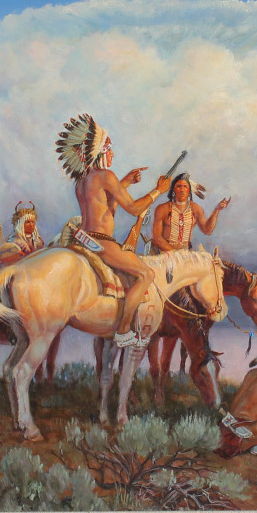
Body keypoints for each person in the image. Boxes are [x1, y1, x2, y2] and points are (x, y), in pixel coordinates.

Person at [55, 113, 171, 348]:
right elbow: (134, 208)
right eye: (110, 149)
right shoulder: (106, 176)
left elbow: (105, 205)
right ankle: (123, 330)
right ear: (100, 151)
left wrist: (124, 183)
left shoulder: (83, 180)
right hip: (101, 241)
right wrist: (158, 191)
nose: (113, 154)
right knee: (146, 274)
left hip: (83, 238)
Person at [151, 172, 230, 253]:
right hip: (165, 254)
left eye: (185, 186)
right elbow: (157, 238)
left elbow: (207, 230)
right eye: (178, 186)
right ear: (173, 190)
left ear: (189, 190)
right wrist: (175, 253)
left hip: (186, 254)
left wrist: (217, 210)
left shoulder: (196, 209)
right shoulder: (162, 209)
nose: (182, 190)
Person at [0, 201, 44, 267]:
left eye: (33, 222)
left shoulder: (38, 241)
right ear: (20, 224)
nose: (31, 225)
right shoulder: (14, 241)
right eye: (28, 222)